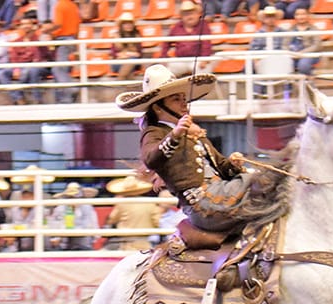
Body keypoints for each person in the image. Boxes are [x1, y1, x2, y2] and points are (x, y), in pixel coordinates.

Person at [115, 64, 281, 236]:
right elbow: (151, 158)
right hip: (202, 202)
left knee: (267, 182)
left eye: (183, 99)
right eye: (176, 100)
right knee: (262, 182)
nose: (184, 105)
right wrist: (176, 134)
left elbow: (220, 164)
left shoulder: (192, 131)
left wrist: (232, 164)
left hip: (218, 193)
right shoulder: (155, 132)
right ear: (158, 107)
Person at [0, 19, 52, 105]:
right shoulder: (17, 41)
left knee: (31, 70)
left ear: (32, 25)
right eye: (23, 24)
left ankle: (37, 99)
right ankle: (18, 98)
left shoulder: (39, 38)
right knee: (1, 73)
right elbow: (14, 57)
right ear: (20, 27)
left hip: (38, 65)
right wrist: (16, 68)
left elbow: (42, 55)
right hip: (21, 66)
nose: (26, 26)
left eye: (28, 23)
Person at [103, 176, 161, 251]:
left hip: (126, 241)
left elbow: (111, 219)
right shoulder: (150, 203)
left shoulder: (121, 204)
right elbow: (157, 222)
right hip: (144, 240)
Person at [41, 0, 80, 103]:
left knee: (58, 69)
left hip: (63, 39)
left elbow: (58, 24)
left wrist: (46, 30)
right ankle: (64, 99)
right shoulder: (73, 5)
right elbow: (77, 25)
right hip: (71, 39)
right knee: (63, 70)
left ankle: (71, 89)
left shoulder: (60, 5)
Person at [160, 1, 212, 77]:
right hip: (180, 60)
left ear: (198, 14)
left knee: (204, 72)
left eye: (192, 13)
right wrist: (164, 58)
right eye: (186, 14)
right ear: (182, 16)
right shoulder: (177, 27)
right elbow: (166, 43)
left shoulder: (203, 25)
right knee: (165, 72)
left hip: (198, 59)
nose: (190, 16)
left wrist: (204, 59)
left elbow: (206, 43)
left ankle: (203, 89)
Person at [49, 181, 100, 250]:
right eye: (70, 197)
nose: (73, 199)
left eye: (76, 197)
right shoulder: (61, 208)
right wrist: (57, 237)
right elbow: (54, 223)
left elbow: (92, 225)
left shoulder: (86, 207)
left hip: (82, 240)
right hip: (63, 240)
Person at [284, 8, 321, 80]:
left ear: (308, 15)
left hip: (308, 54)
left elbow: (317, 45)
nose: (301, 17)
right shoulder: (290, 29)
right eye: (298, 14)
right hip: (292, 54)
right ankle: (288, 89)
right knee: (286, 65)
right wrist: (290, 53)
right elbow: (285, 45)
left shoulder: (313, 29)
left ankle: (308, 85)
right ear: (295, 16)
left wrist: (301, 53)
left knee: (303, 65)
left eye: (303, 14)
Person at [110, 12, 144, 81]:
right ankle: (129, 89)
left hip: (134, 61)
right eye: (126, 23)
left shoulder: (137, 35)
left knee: (131, 61)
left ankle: (119, 82)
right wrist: (129, 54)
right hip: (119, 62)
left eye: (130, 23)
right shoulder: (115, 36)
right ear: (121, 25)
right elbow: (113, 53)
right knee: (129, 71)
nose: (129, 25)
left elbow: (139, 53)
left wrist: (126, 54)